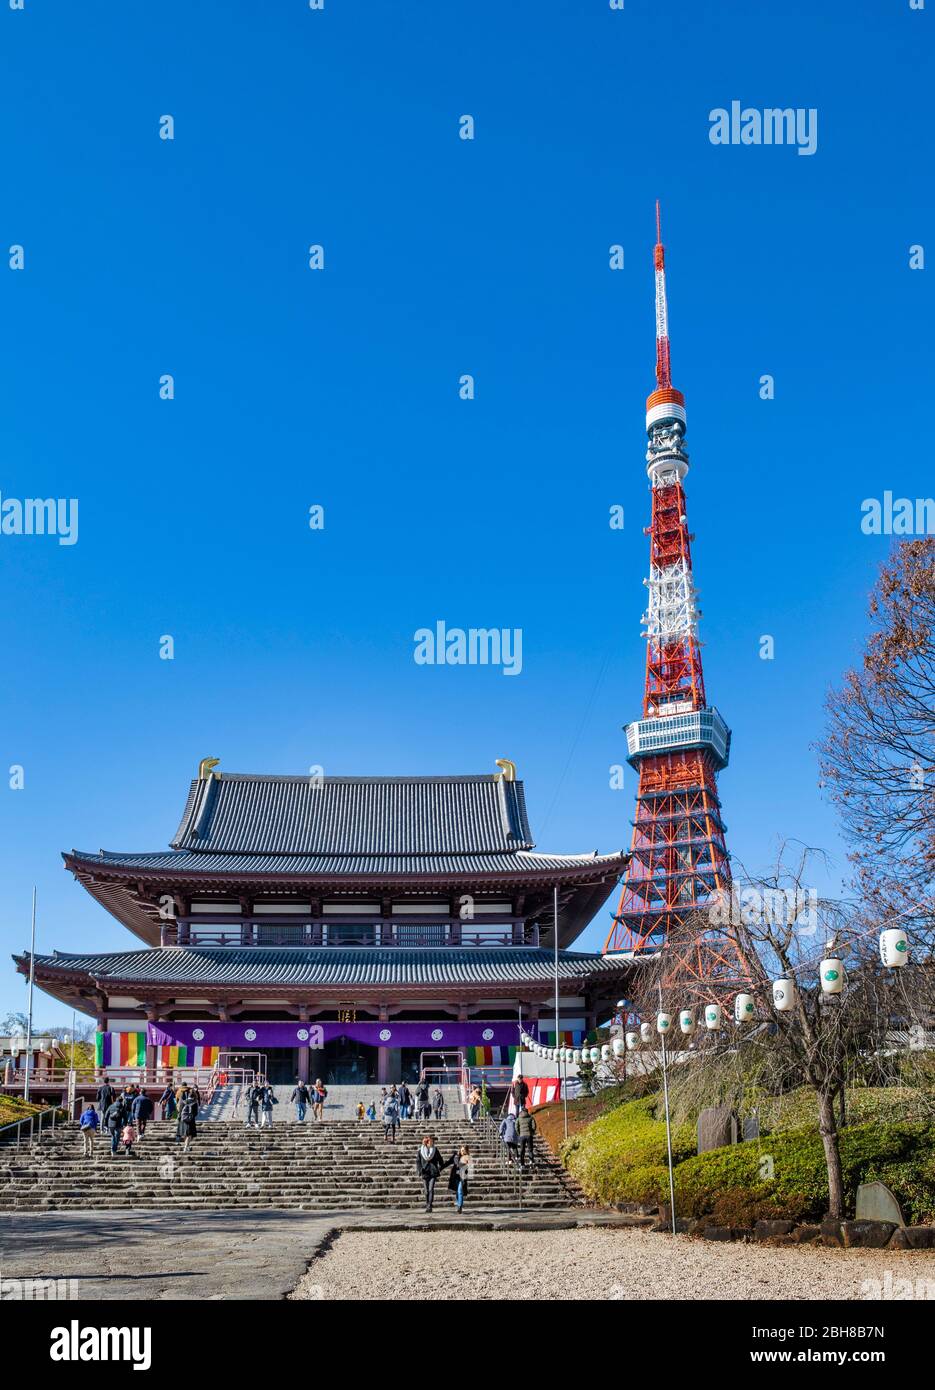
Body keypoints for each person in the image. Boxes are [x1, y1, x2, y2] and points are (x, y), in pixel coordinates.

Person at [415, 1133, 450, 1213]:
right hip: (425, 1172)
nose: (430, 1143)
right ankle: (427, 1203)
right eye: (428, 1141)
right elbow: (418, 1161)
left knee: (431, 1189)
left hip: (433, 1172)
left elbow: (440, 1160)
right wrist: (420, 1170)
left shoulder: (435, 1150)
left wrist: (439, 1168)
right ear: (425, 1142)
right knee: (426, 1190)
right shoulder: (420, 1151)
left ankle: (429, 1205)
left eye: (431, 1142)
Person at [447, 1144, 471, 1212]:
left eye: (464, 1151)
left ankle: (460, 1206)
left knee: (460, 1190)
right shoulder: (456, 1156)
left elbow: (470, 1167)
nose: (463, 1152)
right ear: (460, 1150)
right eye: (462, 1150)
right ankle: (458, 1203)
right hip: (455, 1176)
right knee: (457, 1191)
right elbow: (449, 1162)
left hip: (462, 1177)